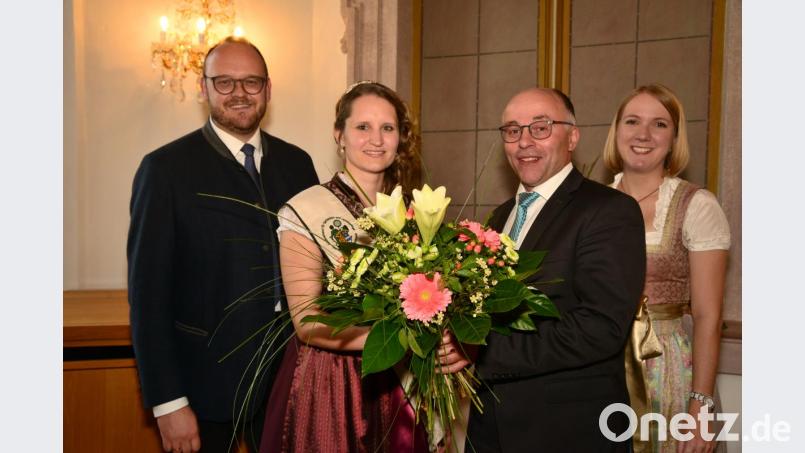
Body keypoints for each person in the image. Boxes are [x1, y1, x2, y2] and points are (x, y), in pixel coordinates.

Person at [127, 37, 319, 453]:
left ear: (268, 89)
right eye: (225, 83)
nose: (239, 94)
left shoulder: (298, 164)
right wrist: (168, 402)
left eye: (251, 82)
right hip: (202, 388)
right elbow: (147, 297)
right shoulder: (164, 170)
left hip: (288, 380)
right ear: (204, 88)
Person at [442, 87, 647, 452]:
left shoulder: (609, 211)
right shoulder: (499, 216)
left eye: (541, 128)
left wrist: (481, 351)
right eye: (512, 130)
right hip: (491, 424)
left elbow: (601, 328)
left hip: (568, 430)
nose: (524, 142)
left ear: (573, 136)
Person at [259, 81, 429, 453]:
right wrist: (395, 343)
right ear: (340, 134)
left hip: (400, 381)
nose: (376, 139)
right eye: (362, 127)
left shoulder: (416, 212)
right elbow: (306, 323)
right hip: (332, 383)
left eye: (388, 128)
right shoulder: (306, 209)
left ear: (401, 137)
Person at [603, 84, 730, 453]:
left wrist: (701, 408)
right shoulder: (593, 204)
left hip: (668, 367)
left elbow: (708, 315)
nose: (643, 134)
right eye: (632, 121)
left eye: (659, 124)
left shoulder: (697, 205)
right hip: (601, 360)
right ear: (616, 132)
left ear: (674, 138)